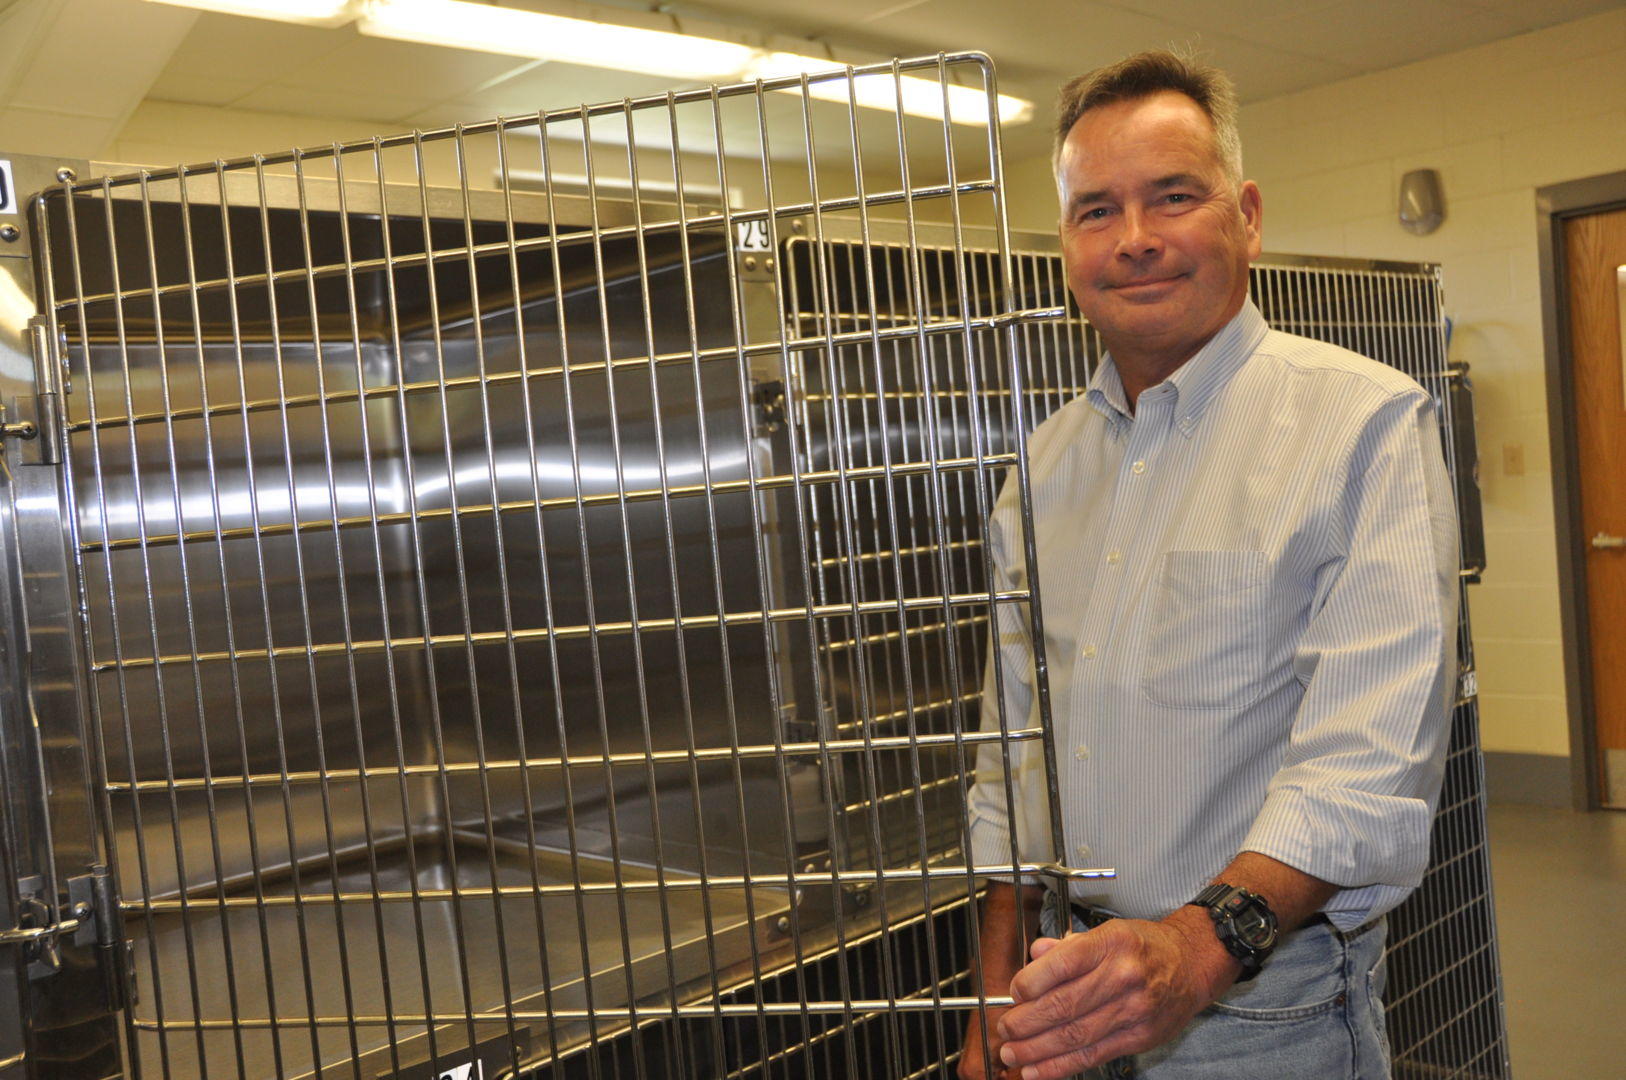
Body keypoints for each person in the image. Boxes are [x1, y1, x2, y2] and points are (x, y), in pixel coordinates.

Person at [959, 50, 1459, 1080]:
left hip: (1261, 1015)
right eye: (1096, 210)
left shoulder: (1362, 427)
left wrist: (1193, 948)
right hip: (1061, 995)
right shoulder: (1042, 471)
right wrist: (994, 1007)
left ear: (1249, 216)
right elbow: (1015, 753)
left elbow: (1362, 767)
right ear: (1064, 244)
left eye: (1173, 197)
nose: (1135, 239)